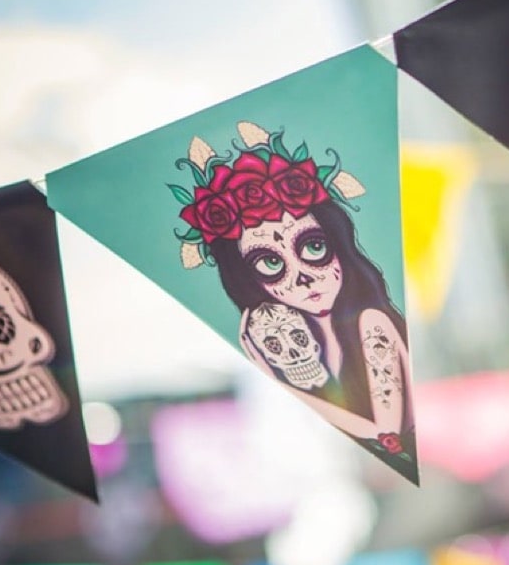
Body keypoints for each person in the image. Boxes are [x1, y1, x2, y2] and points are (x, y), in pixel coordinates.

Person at [171, 124, 414, 469]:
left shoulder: (372, 322)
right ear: (250, 280)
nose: (301, 277)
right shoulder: (302, 338)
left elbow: (386, 439)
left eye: (313, 247)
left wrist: (275, 375)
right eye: (271, 262)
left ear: (338, 244)